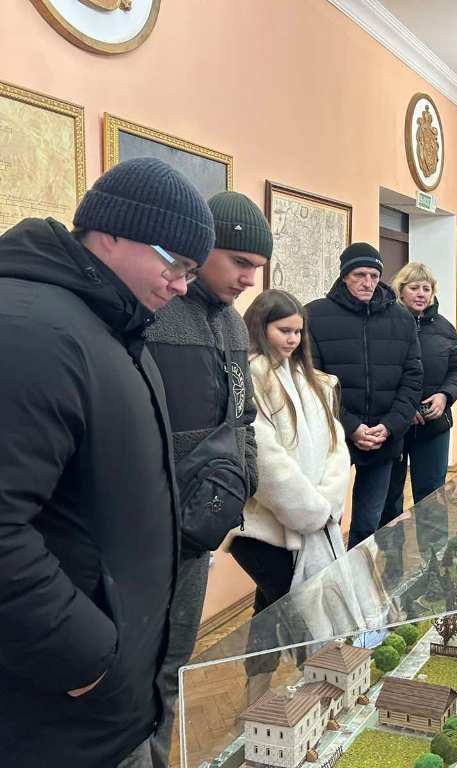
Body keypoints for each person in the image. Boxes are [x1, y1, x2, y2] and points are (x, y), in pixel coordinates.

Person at [0, 157, 215, 767]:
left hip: (107, 705)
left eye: (191, 272)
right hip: (58, 714)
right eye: (175, 264)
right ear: (113, 232)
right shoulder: (31, 331)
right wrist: (87, 657)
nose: (181, 286)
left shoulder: (112, 325)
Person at [145, 191, 270, 767]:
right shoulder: (153, 313)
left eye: (256, 267)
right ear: (201, 248)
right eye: (239, 262)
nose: (248, 279)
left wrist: (243, 479)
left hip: (199, 533)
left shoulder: (235, 326)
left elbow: (243, 418)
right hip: (144, 529)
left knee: (173, 663)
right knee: (128, 670)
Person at [227, 289, 349, 703]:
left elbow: (336, 444)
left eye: (298, 331)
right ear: (260, 327)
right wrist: (308, 509)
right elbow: (263, 456)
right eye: (284, 330)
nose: (293, 339)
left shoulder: (310, 379)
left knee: (269, 609)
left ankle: (256, 695)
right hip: (262, 530)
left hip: (311, 521)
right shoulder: (249, 378)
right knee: (300, 614)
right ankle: (322, 694)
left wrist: (326, 500)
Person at [306, 243, 423, 547]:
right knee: (325, 520)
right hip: (333, 438)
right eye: (359, 274)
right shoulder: (315, 316)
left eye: (374, 275)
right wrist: (351, 427)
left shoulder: (401, 319)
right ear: (344, 275)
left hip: (383, 438)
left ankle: (360, 576)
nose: (368, 282)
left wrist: (390, 426)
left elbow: (412, 378)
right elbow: (312, 382)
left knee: (369, 525)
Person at [383, 262, 457, 521]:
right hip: (394, 426)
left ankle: (433, 548)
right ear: (401, 290)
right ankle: (391, 547)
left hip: (434, 425)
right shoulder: (386, 324)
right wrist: (404, 409)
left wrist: (445, 395)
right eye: (414, 288)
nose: (421, 294)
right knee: (389, 498)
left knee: (432, 499)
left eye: (426, 289)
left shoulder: (445, 328)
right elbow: (380, 374)